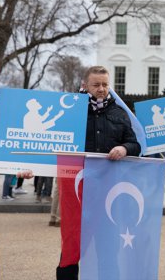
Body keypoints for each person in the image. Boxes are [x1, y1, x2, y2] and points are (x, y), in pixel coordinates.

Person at [56, 65, 141, 280]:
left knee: (108, 247)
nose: (101, 89)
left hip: (108, 190)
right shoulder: (71, 110)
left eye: (105, 84)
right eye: (96, 85)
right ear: (85, 85)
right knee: (71, 245)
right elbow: (53, 142)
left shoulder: (119, 113)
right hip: (77, 190)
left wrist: (124, 149)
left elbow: (134, 144)